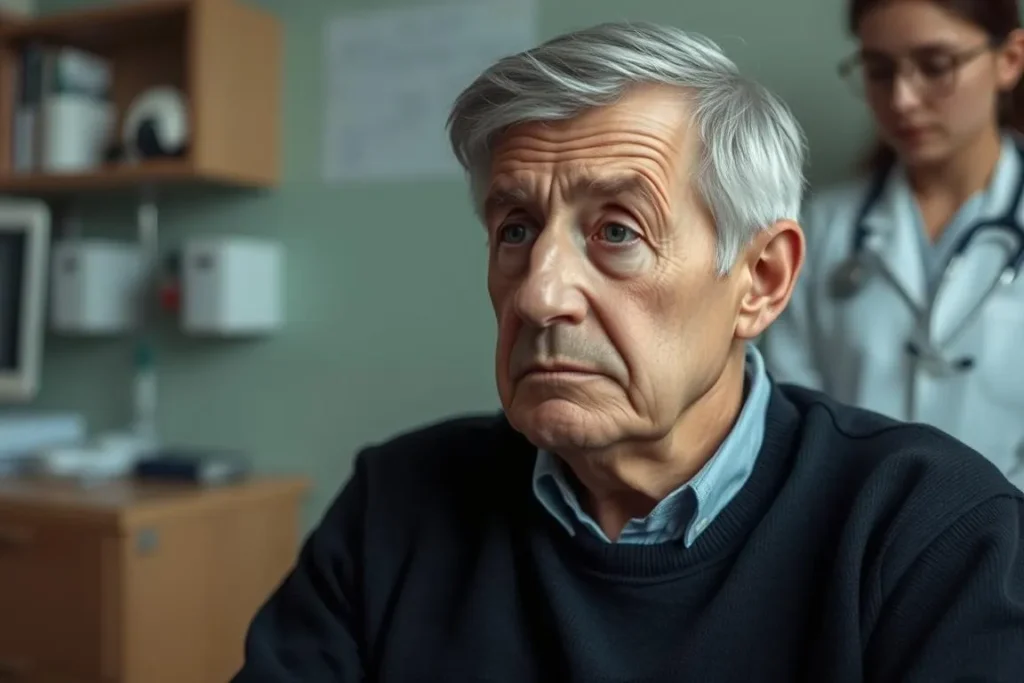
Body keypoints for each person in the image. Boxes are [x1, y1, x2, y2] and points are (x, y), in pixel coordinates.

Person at [232, 22, 1024, 682]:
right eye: (515, 229)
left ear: (760, 279)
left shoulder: (935, 533)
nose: (540, 293)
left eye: (617, 230)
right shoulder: (394, 505)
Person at [761, 0, 1024, 486]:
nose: (902, 99)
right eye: (880, 72)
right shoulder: (820, 229)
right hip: (854, 518)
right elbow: (790, 410)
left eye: (936, 66)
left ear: (1009, 59)